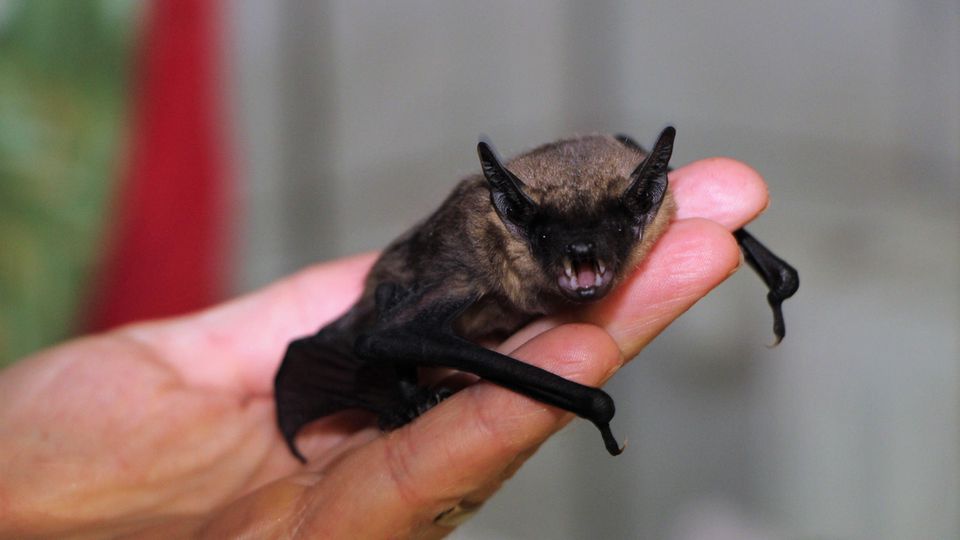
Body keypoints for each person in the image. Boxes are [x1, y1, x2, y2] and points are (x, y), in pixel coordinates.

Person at [0, 157, 769, 538]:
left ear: (640, 206)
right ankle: (399, 394)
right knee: (404, 353)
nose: (582, 257)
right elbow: (387, 335)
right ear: (511, 217)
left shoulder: (639, 195)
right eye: (552, 239)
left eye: (611, 232)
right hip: (412, 305)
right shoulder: (478, 253)